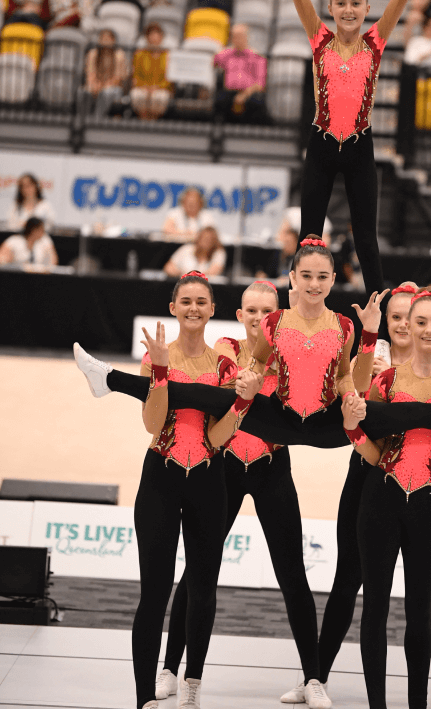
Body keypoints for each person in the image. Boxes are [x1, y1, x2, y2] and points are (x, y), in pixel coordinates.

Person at [75, 236, 431, 454]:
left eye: (323, 277)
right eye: (307, 276)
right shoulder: (274, 321)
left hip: (326, 422)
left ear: (333, 280)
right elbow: (257, 363)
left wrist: (359, 369)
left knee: (406, 414)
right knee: (205, 395)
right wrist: (248, 382)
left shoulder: (343, 325)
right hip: (278, 419)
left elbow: (347, 379)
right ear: (293, 278)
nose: (315, 283)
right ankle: (109, 381)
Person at [281, 283, 431, 709]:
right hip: (368, 474)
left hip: (417, 485)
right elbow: (348, 410)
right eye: (396, 317)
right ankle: (315, 677)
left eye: (409, 317)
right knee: (349, 578)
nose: (403, 324)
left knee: (428, 591)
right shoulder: (375, 365)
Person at [155, 281, 326, 707]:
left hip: (271, 468)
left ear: (278, 316)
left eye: (267, 311)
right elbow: (230, 379)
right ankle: (171, 669)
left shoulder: (289, 357)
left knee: (293, 574)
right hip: (226, 468)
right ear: (239, 315)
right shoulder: (226, 349)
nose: (258, 318)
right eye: (251, 310)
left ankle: (313, 678)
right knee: (197, 571)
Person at [268, 0, 431, 295]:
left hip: (360, 148)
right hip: (322, 145)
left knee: (366, 240)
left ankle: (380, 319)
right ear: (330, 8)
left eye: (356, 3)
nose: (348, 10)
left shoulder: (375, 41)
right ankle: (298, 307)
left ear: (367, 9)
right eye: (341, 3)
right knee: (308, 238)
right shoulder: (319, 38)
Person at [127, 270, 263, 709]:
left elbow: (218, 437)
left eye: (201, 302)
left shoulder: (224, 367)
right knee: (154, 593)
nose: (193, 308)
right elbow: (152, 423)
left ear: (212, 310)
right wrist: (159, 370)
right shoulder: (154, 357)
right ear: (173, 307)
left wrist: (241, 403)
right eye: (185, 301)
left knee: (203, 590)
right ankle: (144, 697)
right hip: (160, 478)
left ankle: (192, 684)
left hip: (207, 479)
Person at [341, 285, 431, 709]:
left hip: (428, 505)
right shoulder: (385, 381)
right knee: (375, 607)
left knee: (420, 610)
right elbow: (375, 451)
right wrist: (352, 429)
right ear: (408, 327)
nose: (428, 329)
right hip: (380, 501)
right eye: (420, 322)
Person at [213, 23, 268, 123]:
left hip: (249, 93)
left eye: (239, 36)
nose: (236, 40)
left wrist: (244, 95)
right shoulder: (226, 54)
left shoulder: (257, 56)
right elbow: (213, 63)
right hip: (229, 92)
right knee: (219, 100)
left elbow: (260, 84)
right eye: (234, 37)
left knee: (257, 102)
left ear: (246, 37)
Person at [130, 22, 172, 120]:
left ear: (161, 37)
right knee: (137, 94)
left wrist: (157, 87)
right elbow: (135, 76)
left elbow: (169, 79)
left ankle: (153, 121)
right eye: (151, 35)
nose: (154, 38)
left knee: (160, 97)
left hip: (161, 88)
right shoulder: (139, 54)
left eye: (157, 35)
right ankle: (143, 120)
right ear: (147, 38)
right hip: (142, 87)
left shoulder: (167, 55)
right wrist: (145, 87)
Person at [84, 28, 129, 117]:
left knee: (106, 93)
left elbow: (119, 78)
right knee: (84, 92)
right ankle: (83, 118)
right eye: (103, 38)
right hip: (96, 84)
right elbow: (90, 73)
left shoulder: (119, 55)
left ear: (114, 41)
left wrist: (105, 86)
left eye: (108, 39)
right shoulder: (92, 54)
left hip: (114, 87)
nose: (105, 41)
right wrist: (94, 84)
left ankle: (97, 118)